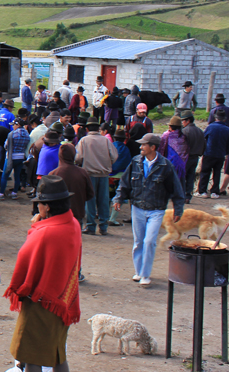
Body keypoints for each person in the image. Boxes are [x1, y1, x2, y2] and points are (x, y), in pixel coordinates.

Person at [5, 176, 82, 372]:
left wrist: (35, 228)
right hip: (63, 300)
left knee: (31, 354)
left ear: (47, 206)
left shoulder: (46, 232)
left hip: (42, 299)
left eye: (39, 203)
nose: (37, 207)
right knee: (58, 354)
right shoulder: (73, 224)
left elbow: (26, 257)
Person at [112, 133, 185, 286]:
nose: (140, 147)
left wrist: (178, 209)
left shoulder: (165, 166)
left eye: (143, 145)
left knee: (150, 241)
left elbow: (176, 190)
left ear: (152, 147)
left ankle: (146, 274)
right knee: (139, 242)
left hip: (156, 210)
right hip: (137, 207)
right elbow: (125, 183)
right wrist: (118, 198)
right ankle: (139, 272)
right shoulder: (135, 161)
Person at [75, 118, 119, 235]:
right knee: (103, 200)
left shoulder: (84, 141)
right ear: (98, 128)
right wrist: (106, 164)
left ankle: (90, 226)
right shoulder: (105, 141)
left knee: (90, 201)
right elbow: (114, 156)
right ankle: (103, 227)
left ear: (87, 128)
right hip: (104, 174)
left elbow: (78, 158)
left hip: (89, 174)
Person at [197, 112, 229, 199]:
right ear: (224, 119)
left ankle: (202, 191)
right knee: (217, 173)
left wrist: (202, 151)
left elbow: (203, 138)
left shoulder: (210, 127)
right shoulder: (228, 130)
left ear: (216, 118)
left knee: (205, 172)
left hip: (209, 153)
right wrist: (227, 153)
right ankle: (215, 192)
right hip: (220, 155)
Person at [0, 118, 30, 200]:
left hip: (11, 157)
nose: (13, 127)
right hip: (21, 157)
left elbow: (6, 146)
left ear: (18, 125)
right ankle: (14, 193)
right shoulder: (26, 134)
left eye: (14, 125)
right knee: (17, 175)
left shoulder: (12, 134)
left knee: (4, 176)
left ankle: (1, 193)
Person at [180, 111, 205, 202]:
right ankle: (188, 195)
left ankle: (182, 195)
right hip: (195, 157)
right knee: (191, 177)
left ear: (188, 121)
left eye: (183, 120)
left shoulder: (184, 131)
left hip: (186, 158)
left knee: (183, 177)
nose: (182, 122)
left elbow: (181, 146)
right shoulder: (200, 131)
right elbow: (204, 144)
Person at [159, 115, 189, 187]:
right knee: (180, 183)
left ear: (170, 126)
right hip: (181, 164)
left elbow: (161, 148)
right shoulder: (183, 136)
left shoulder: (167, 135)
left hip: (170, 163)